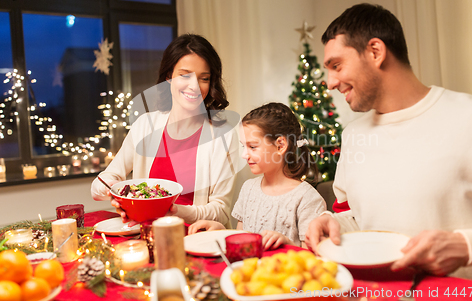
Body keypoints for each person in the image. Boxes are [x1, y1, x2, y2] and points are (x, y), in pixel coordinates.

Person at [304, 3, 472, 282]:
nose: (330, 82)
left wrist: (467, 247)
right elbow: (356, 218)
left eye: (336, 65)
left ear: (375, 52)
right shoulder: (353, 135)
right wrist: (331, 222)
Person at [91, 34, 240, 227]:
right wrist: (116, 193)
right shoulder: (145, 126)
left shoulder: (224, 136)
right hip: (147, 237)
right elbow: (99, 186)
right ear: (169, 77)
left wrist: (175, 210)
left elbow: (221, 212)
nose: (194, 86)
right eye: (185, 75)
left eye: (204, 78)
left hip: (198, 241)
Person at [188, 102, 326, 250]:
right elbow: (242, 239)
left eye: (252, 147)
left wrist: (286, 243)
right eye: (244, 146)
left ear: (280, 146)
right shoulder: (248, 188)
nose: (244, 155)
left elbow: (312, 258)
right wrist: (219, 231)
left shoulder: (308, 199)